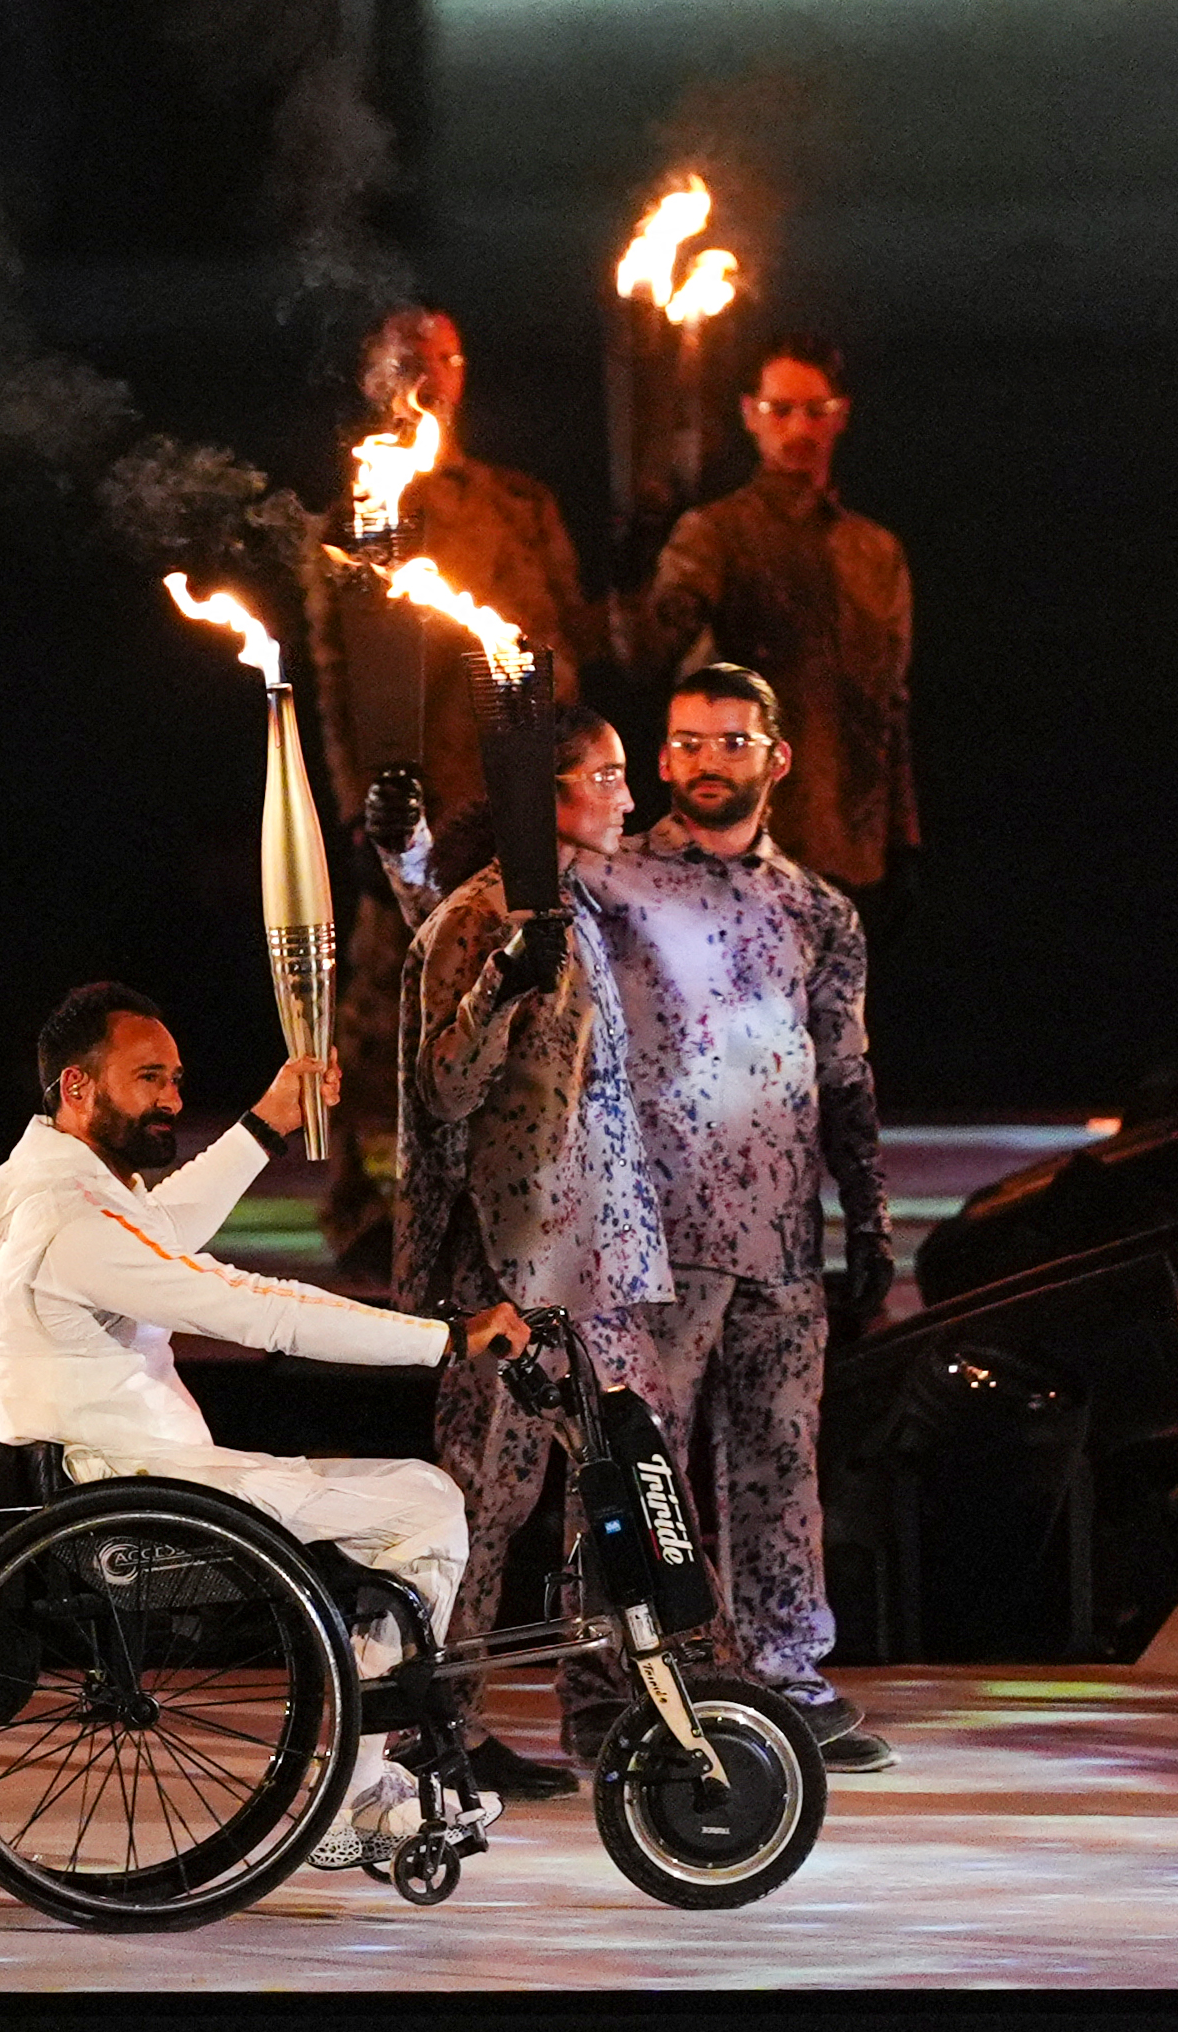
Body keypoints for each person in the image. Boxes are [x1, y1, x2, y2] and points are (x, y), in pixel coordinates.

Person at [0, 983, 530, 1860]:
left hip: (109, 1481)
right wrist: (444, 1338)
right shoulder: (68, 1220)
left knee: (398, 1503)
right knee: (421, 1504)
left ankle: (362, 1763)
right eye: (148, 1077)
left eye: (177, 1078)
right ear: (76, 1087)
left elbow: (163, 1232)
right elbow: (257, 1308)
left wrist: (265, 1121)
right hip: (137, 1501)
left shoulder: (39, 1189)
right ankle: (355, 1793)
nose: (173, 1098)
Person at [577, 663, 897, 1771]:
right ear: (660, 759)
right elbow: (467, 910)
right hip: (650, 1237)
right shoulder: (607, 881)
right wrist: (404, 848)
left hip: (777, 1235)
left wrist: (865, 1218)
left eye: (728, 741)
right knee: (633, 1467)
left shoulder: (814, 907)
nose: (705, 761)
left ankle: (782, 1680)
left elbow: (845, 1074)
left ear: (773, 757)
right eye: (685, 742)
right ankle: (619, 1686)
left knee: (776, 1462)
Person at [393, 702, 673, 1802]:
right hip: (506, 1265)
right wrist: (506, 977)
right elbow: (443, 1085)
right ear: (544, 793)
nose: (624, 795)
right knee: (476, 1500)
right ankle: (436, 1725)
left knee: (616, 1486)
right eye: (602, 776)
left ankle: (629, 1710)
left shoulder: (573, 905)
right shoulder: (480, 919)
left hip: (592, 1256)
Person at [303, 307, 595, 1266]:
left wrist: (572, 789)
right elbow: (339, 675)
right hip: (411, 808)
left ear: (460, 373)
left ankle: (512, 1187)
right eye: (400, 362)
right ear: (372, 378)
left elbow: (569, 647)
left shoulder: (518, 505)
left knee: (523, 995)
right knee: (389, 1000)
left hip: (508, 797)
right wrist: (359, 810)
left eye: (437, 359)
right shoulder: (358, 520)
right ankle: (368, 1203)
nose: (421, 376)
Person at [632, 335, 917, 906]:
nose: (798, 429)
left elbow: (890, 699)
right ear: (750, 416)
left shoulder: (873, 550)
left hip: (852, 852)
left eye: (816, 411)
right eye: (780, 410)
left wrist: (903, 836)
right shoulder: (716, 534)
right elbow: (652, 645)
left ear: (841, 418)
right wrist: (648, 561)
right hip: (746, 849)